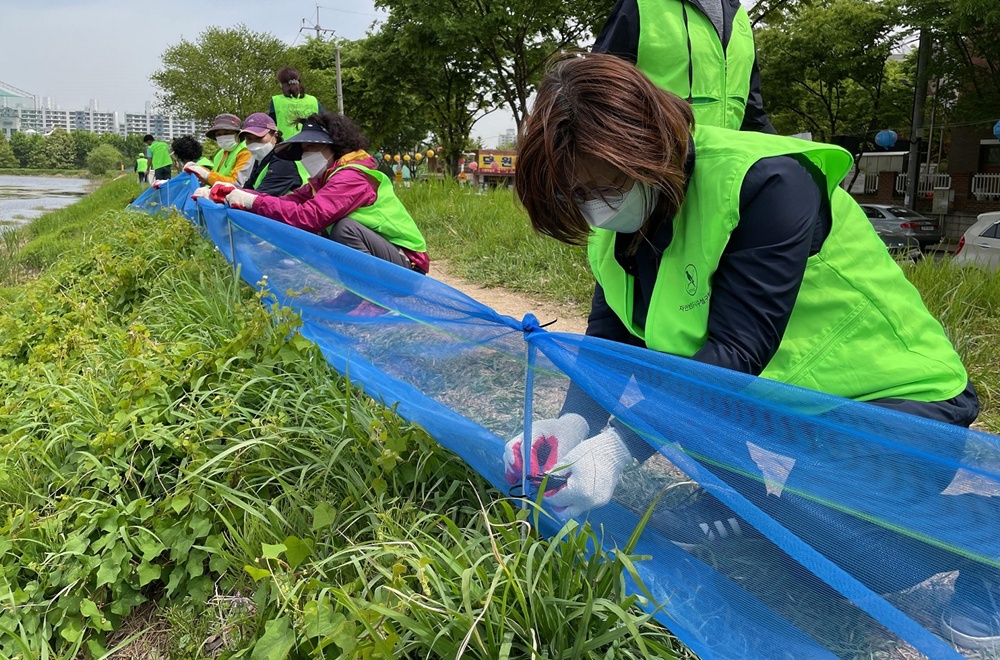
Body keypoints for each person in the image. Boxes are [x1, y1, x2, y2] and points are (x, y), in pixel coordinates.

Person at [506, 53, 996, 649]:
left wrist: (618, 450)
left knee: (842, 560)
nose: (595, 207)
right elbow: (610, 344)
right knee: (761, 500)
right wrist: (574, 421)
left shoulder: (768, 182)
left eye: (603, 187)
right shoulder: (620, 230)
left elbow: (737, 352)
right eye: (576, 194)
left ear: (650, 148)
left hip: (890, 403)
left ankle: (987, 540)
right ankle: (759, 513)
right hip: (779, 408)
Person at [220, 112, 429, 278]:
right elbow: (288, 201)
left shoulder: (351, 176)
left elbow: (309, 217)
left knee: (344, 229)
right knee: (331, 228)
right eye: (303, 149)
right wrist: (233, 193)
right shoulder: (323, 180)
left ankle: (373, 297)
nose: (306, 154)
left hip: (407, 266)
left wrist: (253, 201)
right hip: (387, 258)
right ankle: (354, 294)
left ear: (333, 147)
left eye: (312, 146)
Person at [593, 0, 774, 133]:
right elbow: (596, 94)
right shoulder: (641, 4)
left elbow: (752, 115)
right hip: (653, 172)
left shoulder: (740, 16)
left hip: (721, 175)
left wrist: (790, 157)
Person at [239, 112, 307, 196]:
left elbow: (256, 198)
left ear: (275, 136)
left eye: (259, 138)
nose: (254, 143)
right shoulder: (262, 159)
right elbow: (248, 188)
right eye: (249, 139)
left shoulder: (284, 161)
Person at [183, 114, 253, 187]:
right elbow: (215, 175)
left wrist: (206, 175)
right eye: (218, 134)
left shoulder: (245, 151)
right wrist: (199, 170)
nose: (222, 137)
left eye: (226, 133)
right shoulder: (220, 153)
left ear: (238, 134)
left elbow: (237, 183)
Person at [268, 67, 324, 141]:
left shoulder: (276, 101)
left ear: (282, 84)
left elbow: (270, 127)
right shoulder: (313, 100)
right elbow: (325, 122)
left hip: (285, 145)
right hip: (312, 143)